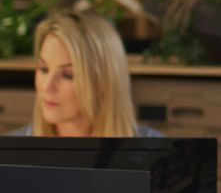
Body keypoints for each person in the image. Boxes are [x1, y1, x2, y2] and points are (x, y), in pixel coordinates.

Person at [12, 10, 161, 137]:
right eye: (44, 69)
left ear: (103, 81)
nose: (47, 86)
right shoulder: (9, 153)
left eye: (68, 75)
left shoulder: (154, 152)